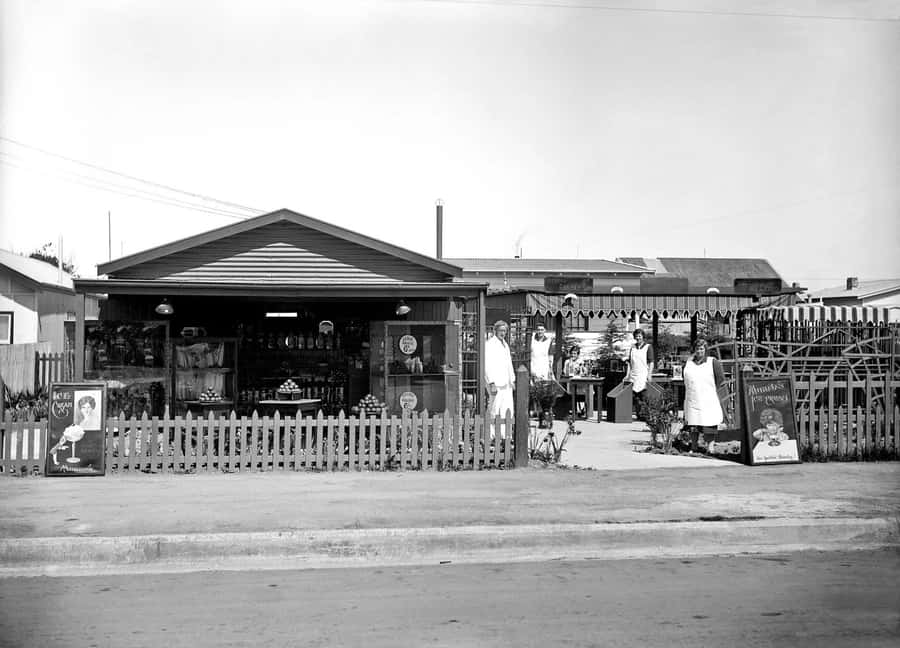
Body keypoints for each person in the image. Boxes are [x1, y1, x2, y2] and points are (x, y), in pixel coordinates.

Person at [682, 338, 727, 452]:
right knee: (693, 424)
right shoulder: (688, 363)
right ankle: (694, 446)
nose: (699, 351)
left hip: (708, 399)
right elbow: (685, 379)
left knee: (709, 424)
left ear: (705, 350)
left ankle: (710, 447)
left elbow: (721, 380)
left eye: (701, 349)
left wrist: (710, 391)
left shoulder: (713, 362)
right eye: (697, 348)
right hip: (693, 399)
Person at [485, 320, 516, 423]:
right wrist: (491, 382)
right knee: (495, 408)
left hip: (506, 383)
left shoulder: (505, 345)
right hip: (496, 382)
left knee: (507, 408)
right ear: (495, 331)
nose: (503, 333)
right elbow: (487, 364)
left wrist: (512, 379)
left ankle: (505, 431)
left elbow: (509, 363)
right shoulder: (490, 344)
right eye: (501, 330)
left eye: (504, 331)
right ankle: (492, 431)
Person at [624, 329, 654, 420]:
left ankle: (645, 415)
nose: (638, 338)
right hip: (633, 375)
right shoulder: (632, 347)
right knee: (634, 397)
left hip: (643, 374)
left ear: (643, 337)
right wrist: (627, 375)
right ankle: (638, 414)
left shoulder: (648, 347)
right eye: (636, 336)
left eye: (640, 336)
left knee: (643, 396)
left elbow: (651, 362)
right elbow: (629, 363)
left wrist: (649, 374)